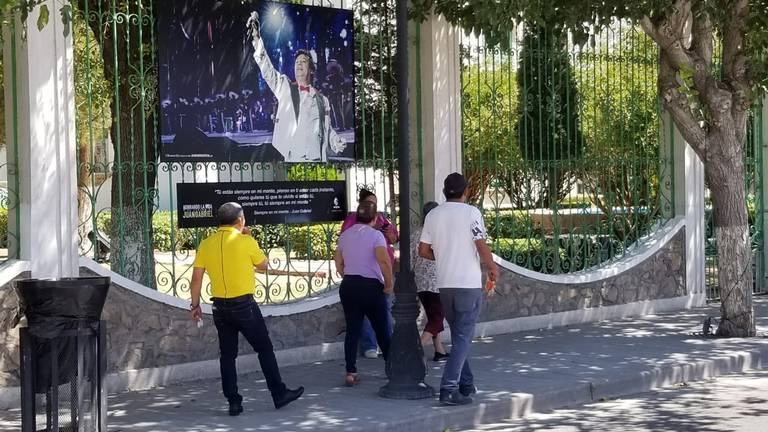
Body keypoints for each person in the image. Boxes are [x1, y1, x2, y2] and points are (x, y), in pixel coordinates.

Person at [189, 202, 318, 415]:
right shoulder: (245, 241)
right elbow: (264, 265)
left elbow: (196, 279)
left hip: (219, 307)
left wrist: (194, 305)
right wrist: (248, 237)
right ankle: (279, 393)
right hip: (244, 306)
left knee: (227, 356)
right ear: (240, 220)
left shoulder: (206, 244)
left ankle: (234, 402)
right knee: (264, 349)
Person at [419, 173, 500, 406]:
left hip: (445, 285)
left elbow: (423, 251)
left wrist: (443, 257)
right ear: (466, 191)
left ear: (445, 192)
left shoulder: (433, 215)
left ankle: (466, 383)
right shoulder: (472, 213)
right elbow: (480, 244)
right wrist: (492, 267)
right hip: (468, 284)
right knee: (463, 337)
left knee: (458, 335)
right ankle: (449, 388)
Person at [247, 12, 347, 162]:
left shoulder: (323, 100)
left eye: (303, 61)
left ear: (312, 69)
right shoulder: (285, 87)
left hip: (317, 160)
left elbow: (326, 128)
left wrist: (335, 141)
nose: (299, 64)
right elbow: (267, 69)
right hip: (293, 157)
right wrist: (256, 39)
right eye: (297, 62)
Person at [334, 200, 394, 386]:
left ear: (356, 217)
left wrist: (347, 275)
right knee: (382, 328)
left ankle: (350, 372)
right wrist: (389, 283)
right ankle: (393, 368)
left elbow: (338, 261)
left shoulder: (345, 235)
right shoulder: (376, 236)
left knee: (353, 329)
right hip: (371, 286)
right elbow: (383, 261)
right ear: (375, 218)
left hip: (349, 285)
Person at [340, 189, 398, 359]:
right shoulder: (353, 220)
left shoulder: (381, 218)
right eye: (370, 202)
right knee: (364, 317)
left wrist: (389, 234)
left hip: (376, 275)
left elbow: (395, 237)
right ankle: (373, 347)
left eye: (375, 202)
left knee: (383, 314)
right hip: (366, 275)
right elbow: (383, 261)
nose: (374, 205)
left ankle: (354, 368)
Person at [411, 201, 449, 362]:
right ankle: (416, 352)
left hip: (421, 283)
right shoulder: (440, 235)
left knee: (434, 316)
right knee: (437, 318)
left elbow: (410, 260)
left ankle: (439, 350)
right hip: (437, 284)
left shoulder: (415, 234)